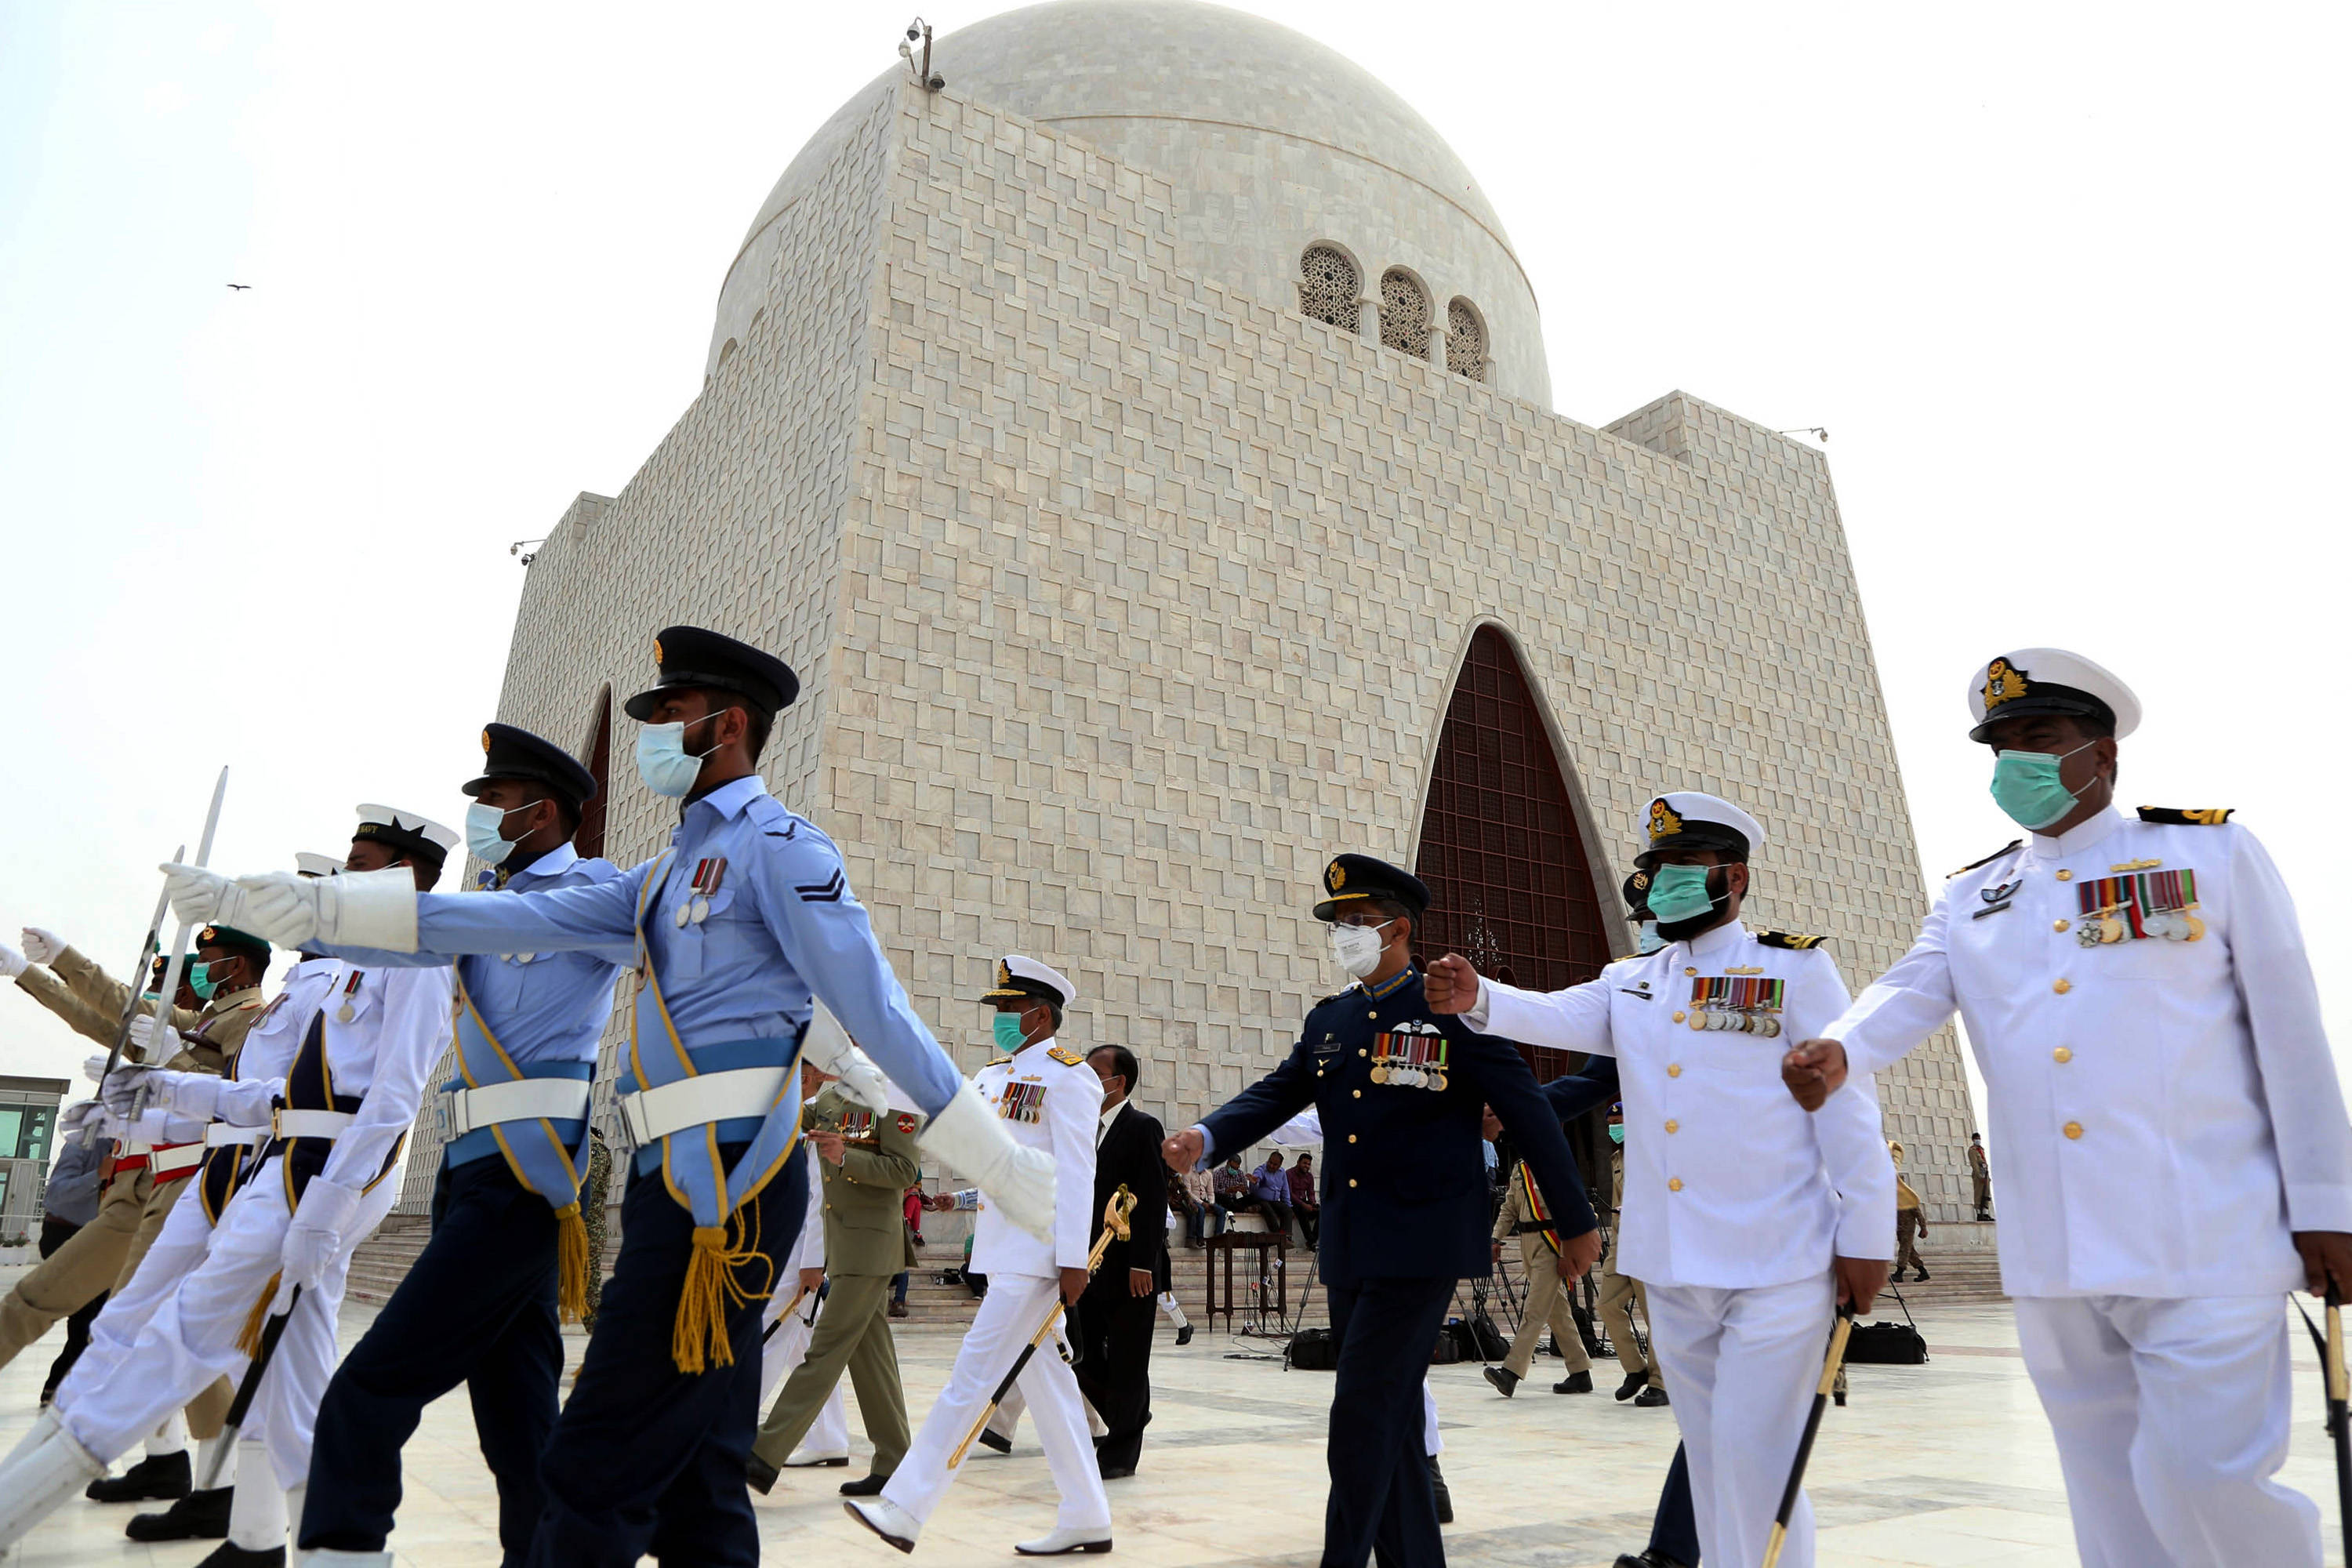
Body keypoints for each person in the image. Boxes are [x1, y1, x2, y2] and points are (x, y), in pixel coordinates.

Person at [166, 626, 1053, 1568]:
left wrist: (998, 1161)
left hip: (728, 1192)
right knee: (701, 1483)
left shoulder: (784, 849)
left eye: (670, 715)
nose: (653, 736)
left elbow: (877, 1009)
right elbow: (480, 915)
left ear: (731, 723)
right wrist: (286, 907)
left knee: (589, 1467)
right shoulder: (656, 878)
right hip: (667, 1182)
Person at [1780, 646, 2352, 1566]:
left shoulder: (2205, 853)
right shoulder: (1976, 893)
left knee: (2206, 1474)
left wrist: (2328, 1205)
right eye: (2000, 744)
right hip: (2057, 1250)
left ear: (2104, 753)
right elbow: (1912, 988)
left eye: (2038, 737)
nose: (2016, 761)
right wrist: (1842, 1046)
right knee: (2107, 1494)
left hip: (2204, 1235)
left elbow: (2292, 1035)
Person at [1428, 793, 1893, 1568]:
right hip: (1675, 1263)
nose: (1658, 883)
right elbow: (1553, 1013)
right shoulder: (1632, 979)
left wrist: (1868, 1234)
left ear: (1732, 876)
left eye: (1680, 868)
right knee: (1712, 1460)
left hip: (1778, 1259)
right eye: (1653, 869)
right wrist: (1480, 996)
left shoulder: (1793, 965)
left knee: (1760, 1459)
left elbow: (1848, 1103)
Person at [0, 810, 462, 1567]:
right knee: (283, 1377)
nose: (342, 879)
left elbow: (391, 1101)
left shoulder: (415, 959)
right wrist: (166, 1095)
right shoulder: (344, 966)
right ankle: (330, 1553)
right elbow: (273, 1097)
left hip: (316, 1173)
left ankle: (14, 1503)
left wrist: (331, 1205)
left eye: (359, 865)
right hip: (267, 1162)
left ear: (399, 877)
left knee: (179, 1331)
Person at [1165, 854, 1597, 1568]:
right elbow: (1278, 1092)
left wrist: (1575, 1221)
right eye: (1338, 924)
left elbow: (1530, 1113)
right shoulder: (1331, 1018)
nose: (1343, 934)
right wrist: (1206, 1137)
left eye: (1357, 922)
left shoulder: (1453, 1008)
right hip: (1352, 1240)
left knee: (1361, 1415)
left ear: (1398, 928)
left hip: (1423, 1239)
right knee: (1389, 1421)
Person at [296, 726, 623, 1568]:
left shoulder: (592, 892)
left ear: (540, 811)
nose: (479, 816)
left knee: (366, 1390)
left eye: (492, 802)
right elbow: (377, 940)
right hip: (466, 1169)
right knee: (519, 1431)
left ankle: (344, 1548)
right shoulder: (483, 902)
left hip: (526, 1178)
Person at [848, 956, 1111, 1556]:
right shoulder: (994, 1076)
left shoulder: (1070, 1077)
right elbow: (933, 1106)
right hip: (1004, 1251)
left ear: (1041, 1015)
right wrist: (867, 1062)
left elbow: (1078, 1171)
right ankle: (1088, 1514)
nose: (1000, 1021)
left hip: (1038, 1255)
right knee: (1050, 1388)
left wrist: (1074, 1259)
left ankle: (905, 1506)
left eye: (1009, 1010)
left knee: (971, 1379)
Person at [748, 1006, 926, 1500]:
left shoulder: (896, 1095)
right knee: (872, 1362)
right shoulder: (830, 1098)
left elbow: (904, 1173)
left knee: (824, 1352)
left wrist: (844, 1156)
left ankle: (763, 1455)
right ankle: (894, 1464)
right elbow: (782, 1116)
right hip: (843, 1243)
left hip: (872, 1246)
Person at [1079, 1043, 1166, 1479]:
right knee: (1081, 1353)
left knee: (1130, 1359)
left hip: (1131, 1268)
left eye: (1096, 1072)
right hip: (1085, 1265)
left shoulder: (1142, 1127)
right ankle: (1131, 1416)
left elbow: (1151, 1199)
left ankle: (1120, 1453)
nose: (1087, 1078)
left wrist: (1143, 1264)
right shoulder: (1082, 1128)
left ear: (1120, 1082)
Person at [1484, 1129, 1596, 1398]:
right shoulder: (1520, 1169)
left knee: (1534, 1311)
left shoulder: (1555, 1165)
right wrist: (1495, 1237)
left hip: (1552, 1242)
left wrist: (1565, 1251)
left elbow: (1575, 1206)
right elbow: (1510, 1207)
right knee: (1558, 1313)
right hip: (1528, 1243)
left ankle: (1511, 1373)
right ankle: (1580, 1372)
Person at [31, 1112, 105, 1404]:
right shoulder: (84, 1143)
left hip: (101, 1240)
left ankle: (63, 1385)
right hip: (64, 1234)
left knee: (101, 1317)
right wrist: (98, 1175)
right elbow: (57, 1194)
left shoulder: (133, 1149)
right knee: (85, 1316)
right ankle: (60, 1387)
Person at [1597, 1104, 1667, 1406]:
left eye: (1619, 1121)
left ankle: (1661, 1382)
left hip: (1650, 1242)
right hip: (1622, 1241)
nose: (1614, 1128)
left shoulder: (1653, 1153)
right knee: (1607, 1305)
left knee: (1655, 1315)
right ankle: (1636, 1369)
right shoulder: (1618, 1158)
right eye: (1611, 1122)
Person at [1890, 1142, 1929, 1283]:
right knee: (1910, 1251)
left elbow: (1918, 1213)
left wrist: (1923, 1228)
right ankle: (1923, 1271)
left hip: (1908, 1228)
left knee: (1904, 1250)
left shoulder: (1908, 1197)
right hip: (1900, 1228)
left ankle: (1899, 1273)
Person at [1246, 1150, 1294, 1241]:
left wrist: (1288, 1205)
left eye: (1275, 1164)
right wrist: (1254, 1182)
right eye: (1270, 1162)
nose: (1271, 1166)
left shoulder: (1282, 1172)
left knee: (1288, 1211)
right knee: (1269, 1210)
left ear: (1280, 1165)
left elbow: (1285, 1191)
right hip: (1260, 1199)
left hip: (1274, 1201)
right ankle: (1278, 1238)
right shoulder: (1261, 1169)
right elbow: (1255, 1182)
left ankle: (1286, 1237)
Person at [1171, 1160, 1221, 1247]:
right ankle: (1198, 1238)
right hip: (1175, 1202)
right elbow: (1188, 1192)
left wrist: (1211, 1203)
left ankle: (1218, 1238)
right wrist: (1196, 1203)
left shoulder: (1208, 1174)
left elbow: (1184, 1190)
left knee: (1222, 1211)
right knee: (1198, 1210)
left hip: (1197, 1200)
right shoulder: (1185, 1173)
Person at [1287, 1152, 1319, 1250]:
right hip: (1292, 1203)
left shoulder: (1309, 1177)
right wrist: (1304, 1205)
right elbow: (1289, 1193)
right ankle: (1311, 1241)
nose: (1307, 1166)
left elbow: (1310, 1193)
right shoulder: (1289, 1173)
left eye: (1309, 1164)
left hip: (1304, 1202)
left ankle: (1312, 1240)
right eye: (1304, 1163)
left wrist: (1313, 1203)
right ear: (1298, 1162)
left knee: (1321, 1211)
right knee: (1301, 1210)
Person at [1967, 1132, 1992, 1221]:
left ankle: (1985, 1214)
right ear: (1973, 1140)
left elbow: (1984, 1163)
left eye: (1979, 1138)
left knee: (1986, 1193)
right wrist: (1979, 1176)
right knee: (1978, 1194)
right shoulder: (1972, 1150)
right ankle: (1979, 1214)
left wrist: (1986, 1176)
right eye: (1977, 1138)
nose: (1979, 1140)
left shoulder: (1981, 1150)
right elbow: (1974, 1165)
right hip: (1979, 1175)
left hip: (1985, 1174)